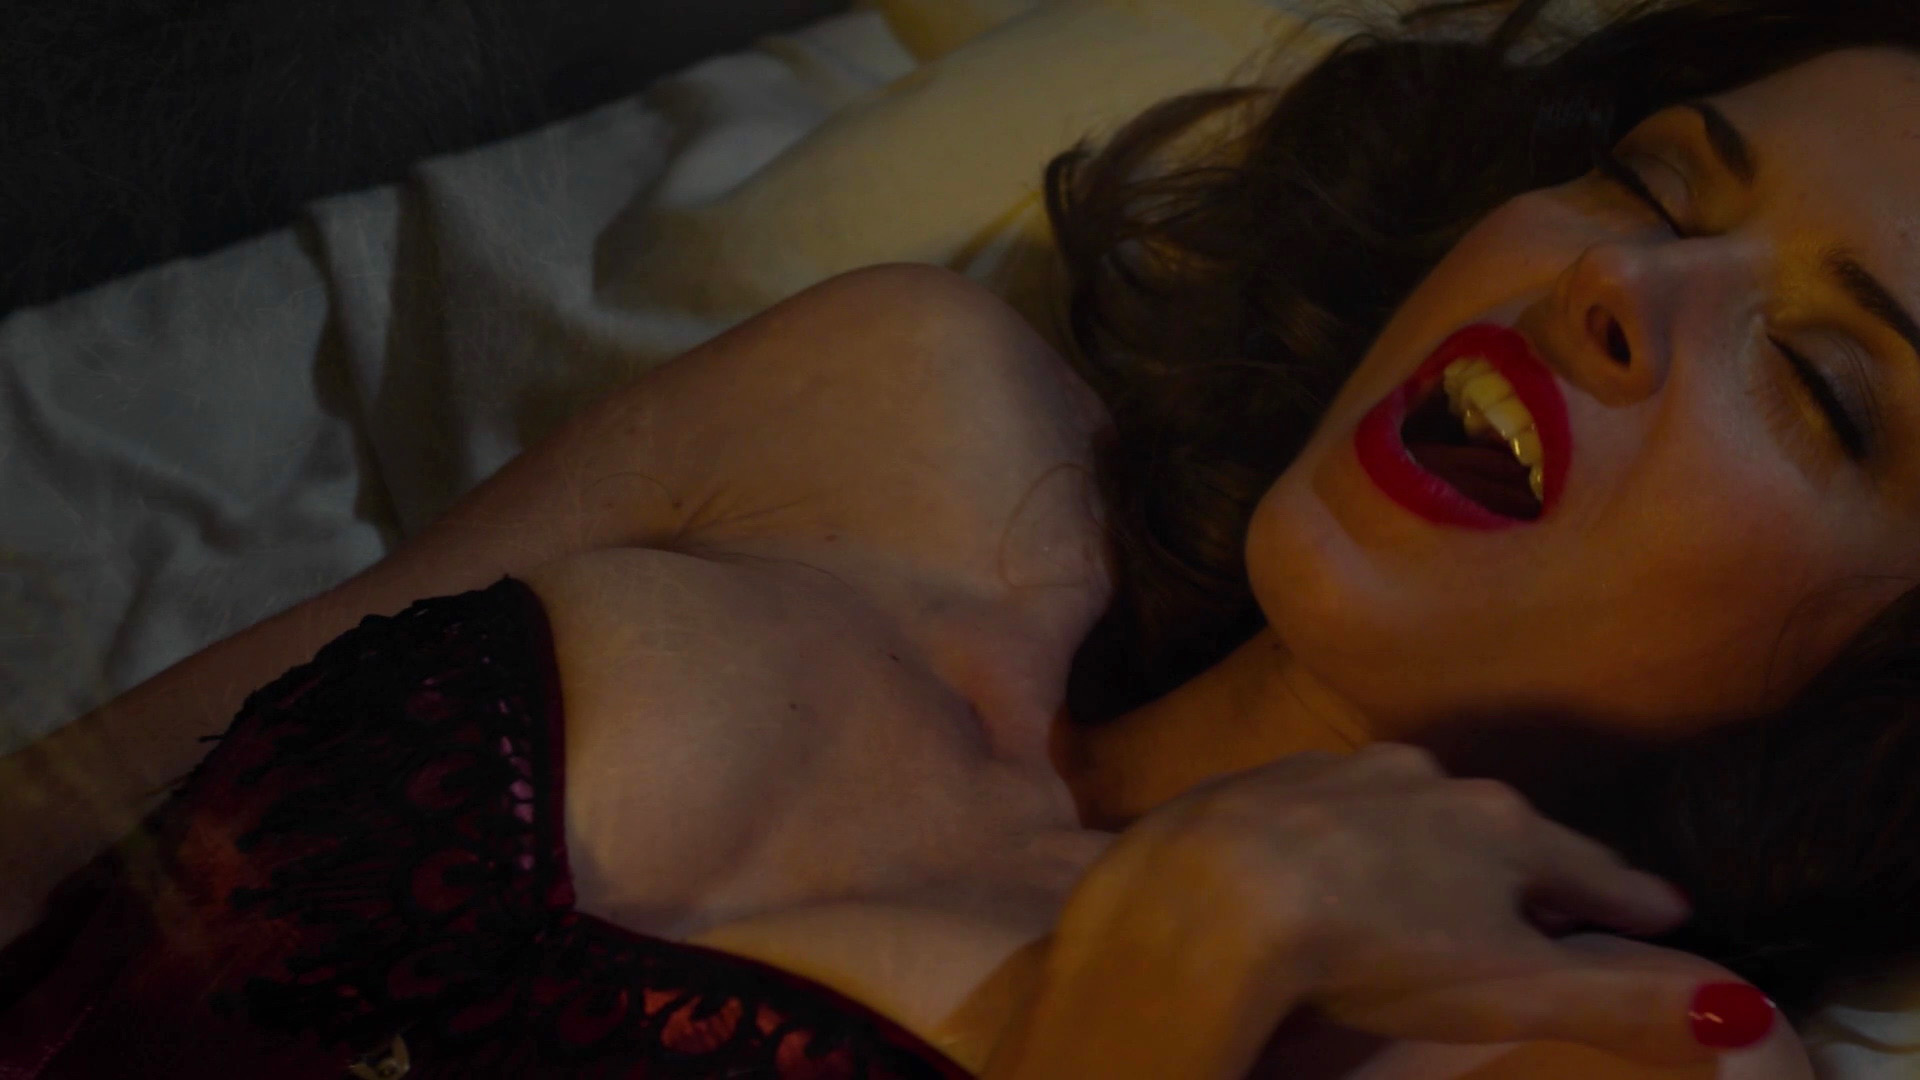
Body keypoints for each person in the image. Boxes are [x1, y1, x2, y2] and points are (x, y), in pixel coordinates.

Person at [3, 0, 1918, 1074]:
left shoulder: (1593, 1058)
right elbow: (47, 834)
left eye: (1823, 386)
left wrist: (1151, 1021)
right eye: (1655, 183)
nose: (1620, 284)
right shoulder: (894, 403)